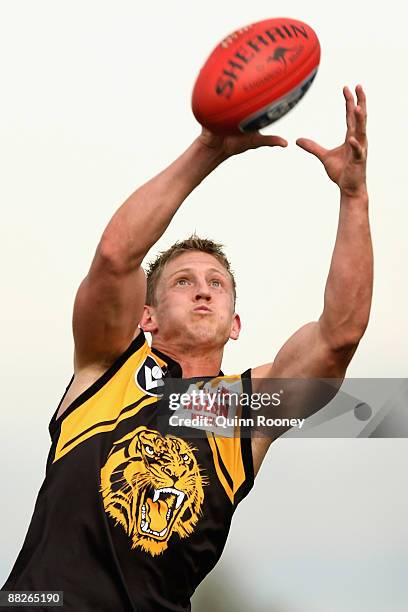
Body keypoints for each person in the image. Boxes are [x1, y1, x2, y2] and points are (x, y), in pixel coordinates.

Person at [1, 85, 371, 611]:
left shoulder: (241, 411)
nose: (202, 289)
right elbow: (114, 257)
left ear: (235, 324)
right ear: (145, 316)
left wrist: (353, 196)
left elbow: (339, 337)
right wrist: (208, 149)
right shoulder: (107, 366)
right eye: (182, 282)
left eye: (216, 283)